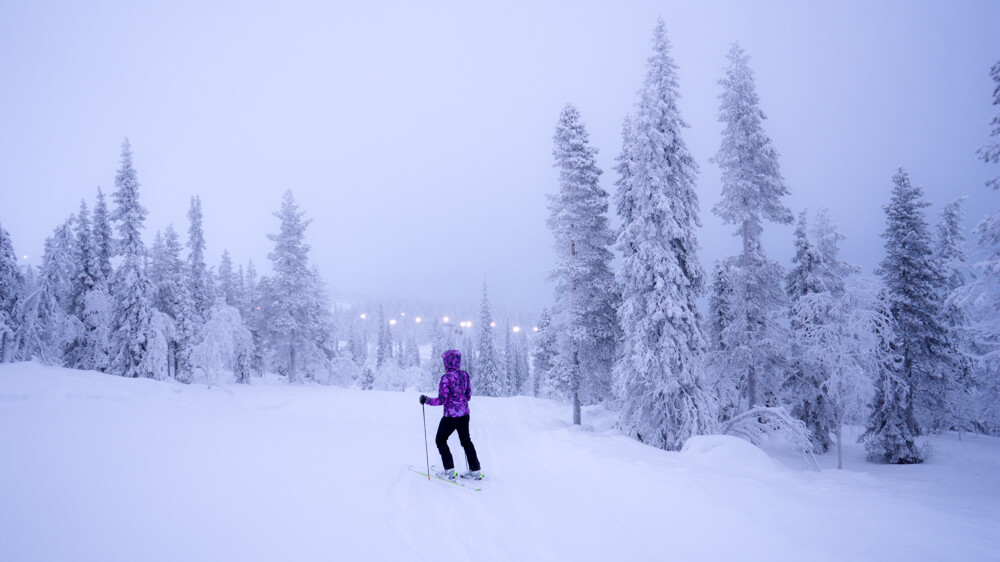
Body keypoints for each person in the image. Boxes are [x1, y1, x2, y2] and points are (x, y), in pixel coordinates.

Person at [420, 349, 483, 480]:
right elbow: (468, 396)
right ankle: (476, 470)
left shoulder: (446, 378)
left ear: (447, 362)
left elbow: (442, 400)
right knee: (466, 441)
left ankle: (449, 470)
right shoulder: (465, 375)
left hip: (451, 417)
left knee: (440, 440)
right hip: (465, 414)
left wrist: (426, 400)